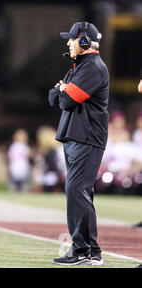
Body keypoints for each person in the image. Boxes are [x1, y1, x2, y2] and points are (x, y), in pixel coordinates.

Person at [48, 22, 109, 266]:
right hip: (77, 137)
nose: (68, 43)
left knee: (76, 191)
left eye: (72, 39)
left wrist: (63, 90)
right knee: (80, 192)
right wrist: (62, 90)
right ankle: (90, 250)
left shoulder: (92, 67)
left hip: (87, 137)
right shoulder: (81, 66)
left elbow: (67, 100)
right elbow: (53, 96)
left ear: (84, 41)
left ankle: (82, 249)